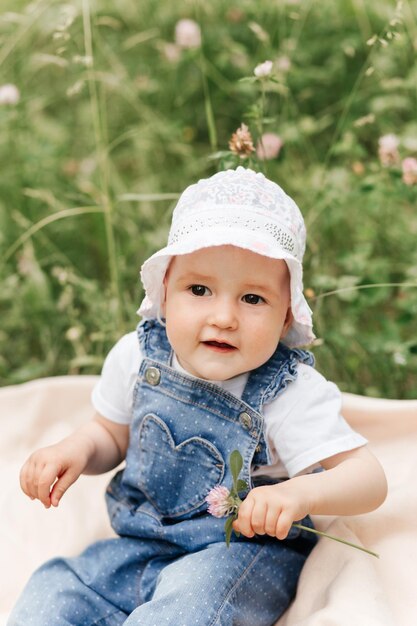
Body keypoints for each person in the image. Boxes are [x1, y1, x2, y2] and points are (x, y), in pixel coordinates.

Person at [9, 167, 387, 626]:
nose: (224, 316)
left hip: (236, 554)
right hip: (140, 542)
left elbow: (368, 478)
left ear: (286, 317)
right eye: (200, 289)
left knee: (189, 609)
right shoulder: (138, 356)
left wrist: (300, 493)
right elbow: (109, 433)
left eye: (252, 298)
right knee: (55, 590)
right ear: (165, 292)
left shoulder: (288, 391)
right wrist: (74, 450)